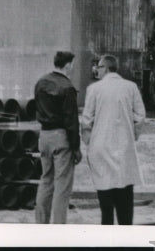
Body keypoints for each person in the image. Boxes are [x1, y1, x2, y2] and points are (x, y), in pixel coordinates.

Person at [81, 54, 146, 225]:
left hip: (100, 147)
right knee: (125, 196)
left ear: (106, 68)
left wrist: (89, 141)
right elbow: (140, 116)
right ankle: (125, 236)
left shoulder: (94, 89)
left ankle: (107, 239)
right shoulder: (131, 87)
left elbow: (86, 120)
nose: (97, 70)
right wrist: (132, 136)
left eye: (99, 67)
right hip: (124, 147)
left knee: (106, 202)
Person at [33, 50, 81, 223]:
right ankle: (59, 226)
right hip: (61, 137)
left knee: (46, 180)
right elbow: (71, 121)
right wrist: (76, 147)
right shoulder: (67, 87)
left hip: (44, 136)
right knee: (62, 186)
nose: (73, 68)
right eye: (72, 65)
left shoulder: (40, 82)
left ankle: (41, 223)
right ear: (67, 65)